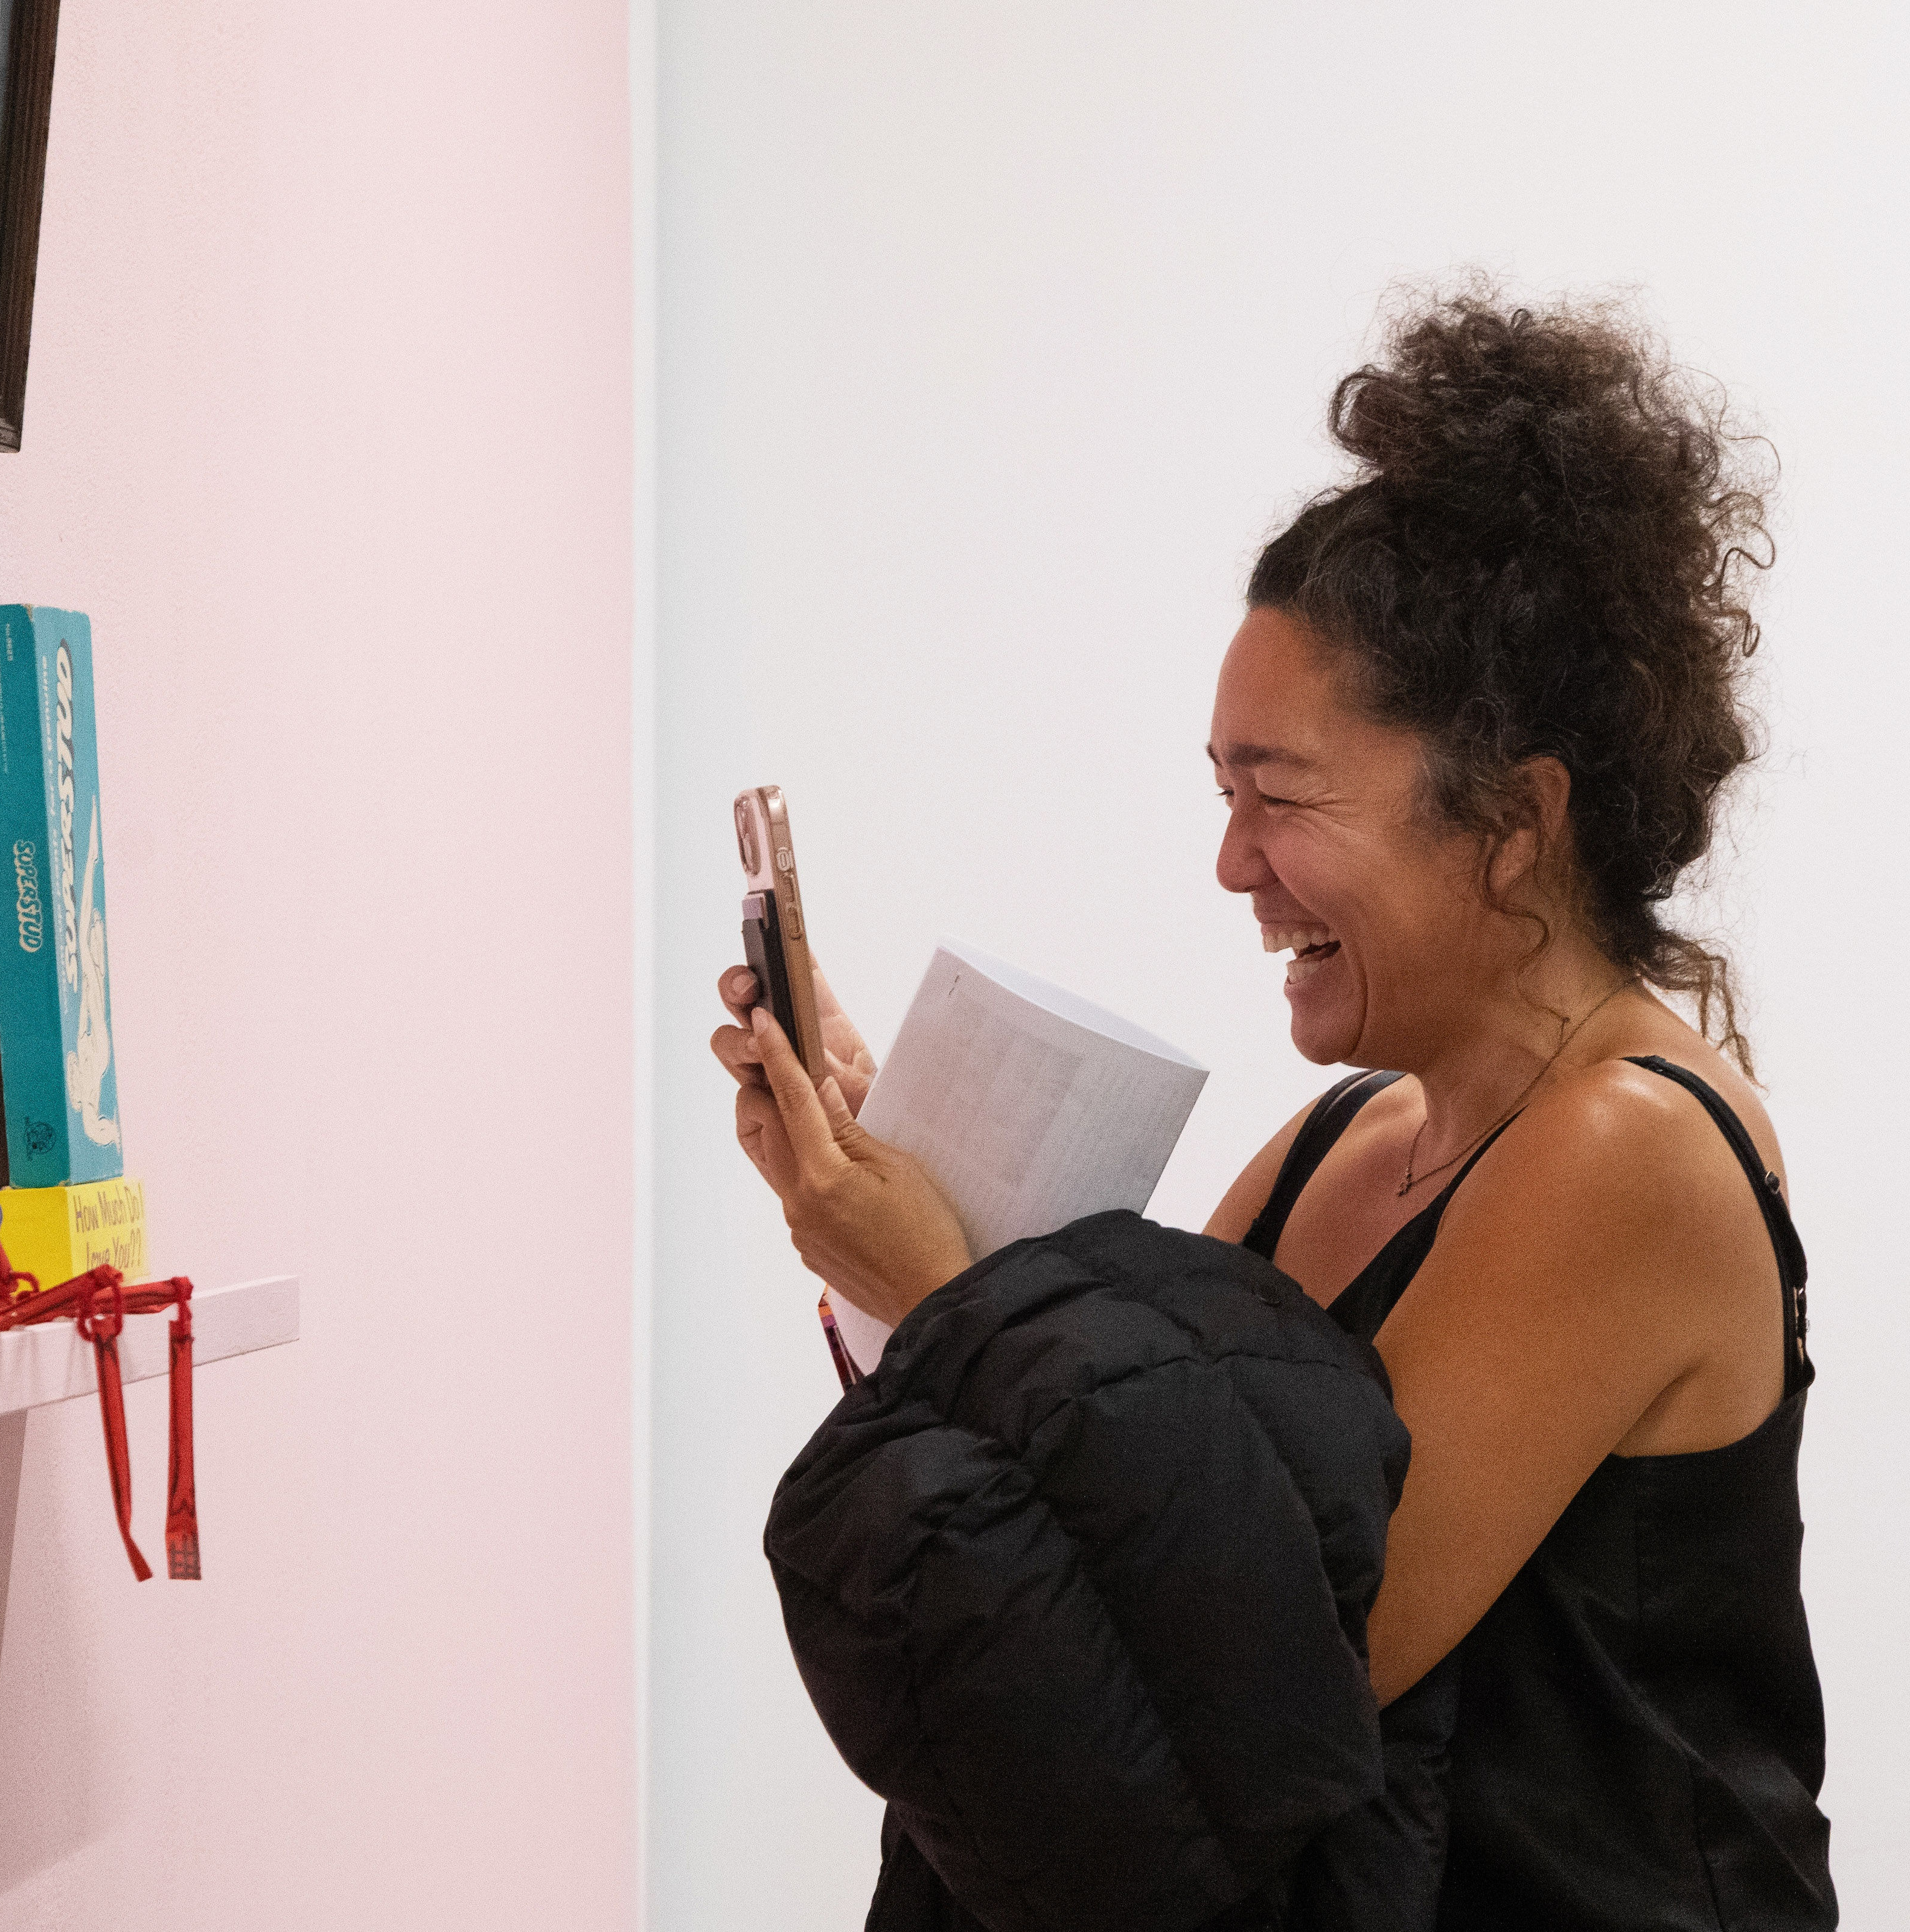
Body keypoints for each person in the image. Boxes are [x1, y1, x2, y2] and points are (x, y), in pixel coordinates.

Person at [716, 287, 1835, 1930]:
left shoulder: (1631, 1151)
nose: (1233, 865)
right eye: (1222, 794)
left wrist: (943, 1289)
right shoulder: (1347, 1144)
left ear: (1513, 820)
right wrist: (888, 1190)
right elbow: (1110, 1522)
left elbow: (1266, 1676)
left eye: (1280, 795)